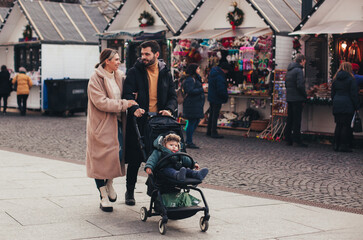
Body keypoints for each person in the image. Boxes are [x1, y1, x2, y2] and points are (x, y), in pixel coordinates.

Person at [122, 40, 177, 205]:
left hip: (160, 122)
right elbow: (127, 94)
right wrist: (134, 108)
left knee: (161, 157)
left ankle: (158, 192)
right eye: (142, 54)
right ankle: (129, 191)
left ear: (157, 55)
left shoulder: (165, 73)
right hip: (140, 121)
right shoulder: (134, 72)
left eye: (147, 54)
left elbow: (173, 97)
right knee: (135, 158)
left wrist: (169, 109)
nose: (143, 57)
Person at [86, 48, 137, 212]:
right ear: (106, 61)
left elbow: (128, 91)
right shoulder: (95, 78)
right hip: (101, 126)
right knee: (100, 161)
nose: (119, 62)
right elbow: (101, 102)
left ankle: (109, 183)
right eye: (116, 59)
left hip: (118, 123)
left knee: (117, 156)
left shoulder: (119, 76)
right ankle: (103, 196)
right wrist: (124, 104)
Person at [331, 62, 359, 152]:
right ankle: (344, 145)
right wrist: (356, 106)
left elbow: (332, 93)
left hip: (337, 103)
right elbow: (354, 94)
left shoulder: (335, 79)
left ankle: (336, 144)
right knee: (346, 126)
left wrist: (335, 101)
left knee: (338, 125)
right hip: (347, 104)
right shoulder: (351, 79)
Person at [284, 54, 307, 147]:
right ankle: (297, 140)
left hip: (290, 98)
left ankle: (288, 138)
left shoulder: (289, 70)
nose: (305, 63)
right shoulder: (299, 70)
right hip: (297, 98)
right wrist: (304, 95)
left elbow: (286, 84)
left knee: (290, 119)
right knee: (297, 120)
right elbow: (300, 85)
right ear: (301, 60)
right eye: (304, 61)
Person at [182, 63, 205, 148]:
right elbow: (190, 90)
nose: (199, 70)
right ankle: (188, 141)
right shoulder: (190, 79)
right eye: (198, 69)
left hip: (196, 104)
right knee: (192, 122)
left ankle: (188, 140)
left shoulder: (195, 78)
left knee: (195, 122)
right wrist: (201, 89)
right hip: (192, 104)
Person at [206, 62, 230, 138]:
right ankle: (213, 132)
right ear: (225, 70)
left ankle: (209, 131)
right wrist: (225, 96)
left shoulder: (213, 73)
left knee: (212, 114)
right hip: (217, 97)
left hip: (212, 96)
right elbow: (221, 89)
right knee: (215, 115)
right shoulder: (220, 76)